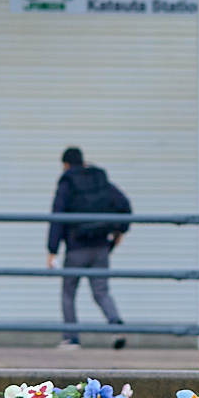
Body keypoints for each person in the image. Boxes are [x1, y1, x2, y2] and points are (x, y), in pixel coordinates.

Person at [46, 146, 130, 351]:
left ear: (66, 164)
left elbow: (57, 216)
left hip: (76, 249)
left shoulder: (67, 182)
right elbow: (124, 204)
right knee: (102, 292)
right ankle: (116, 326)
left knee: (68, 293)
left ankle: (71, 338)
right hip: (101, 247)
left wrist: (52, 250)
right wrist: (119, 231)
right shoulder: (99, 180)